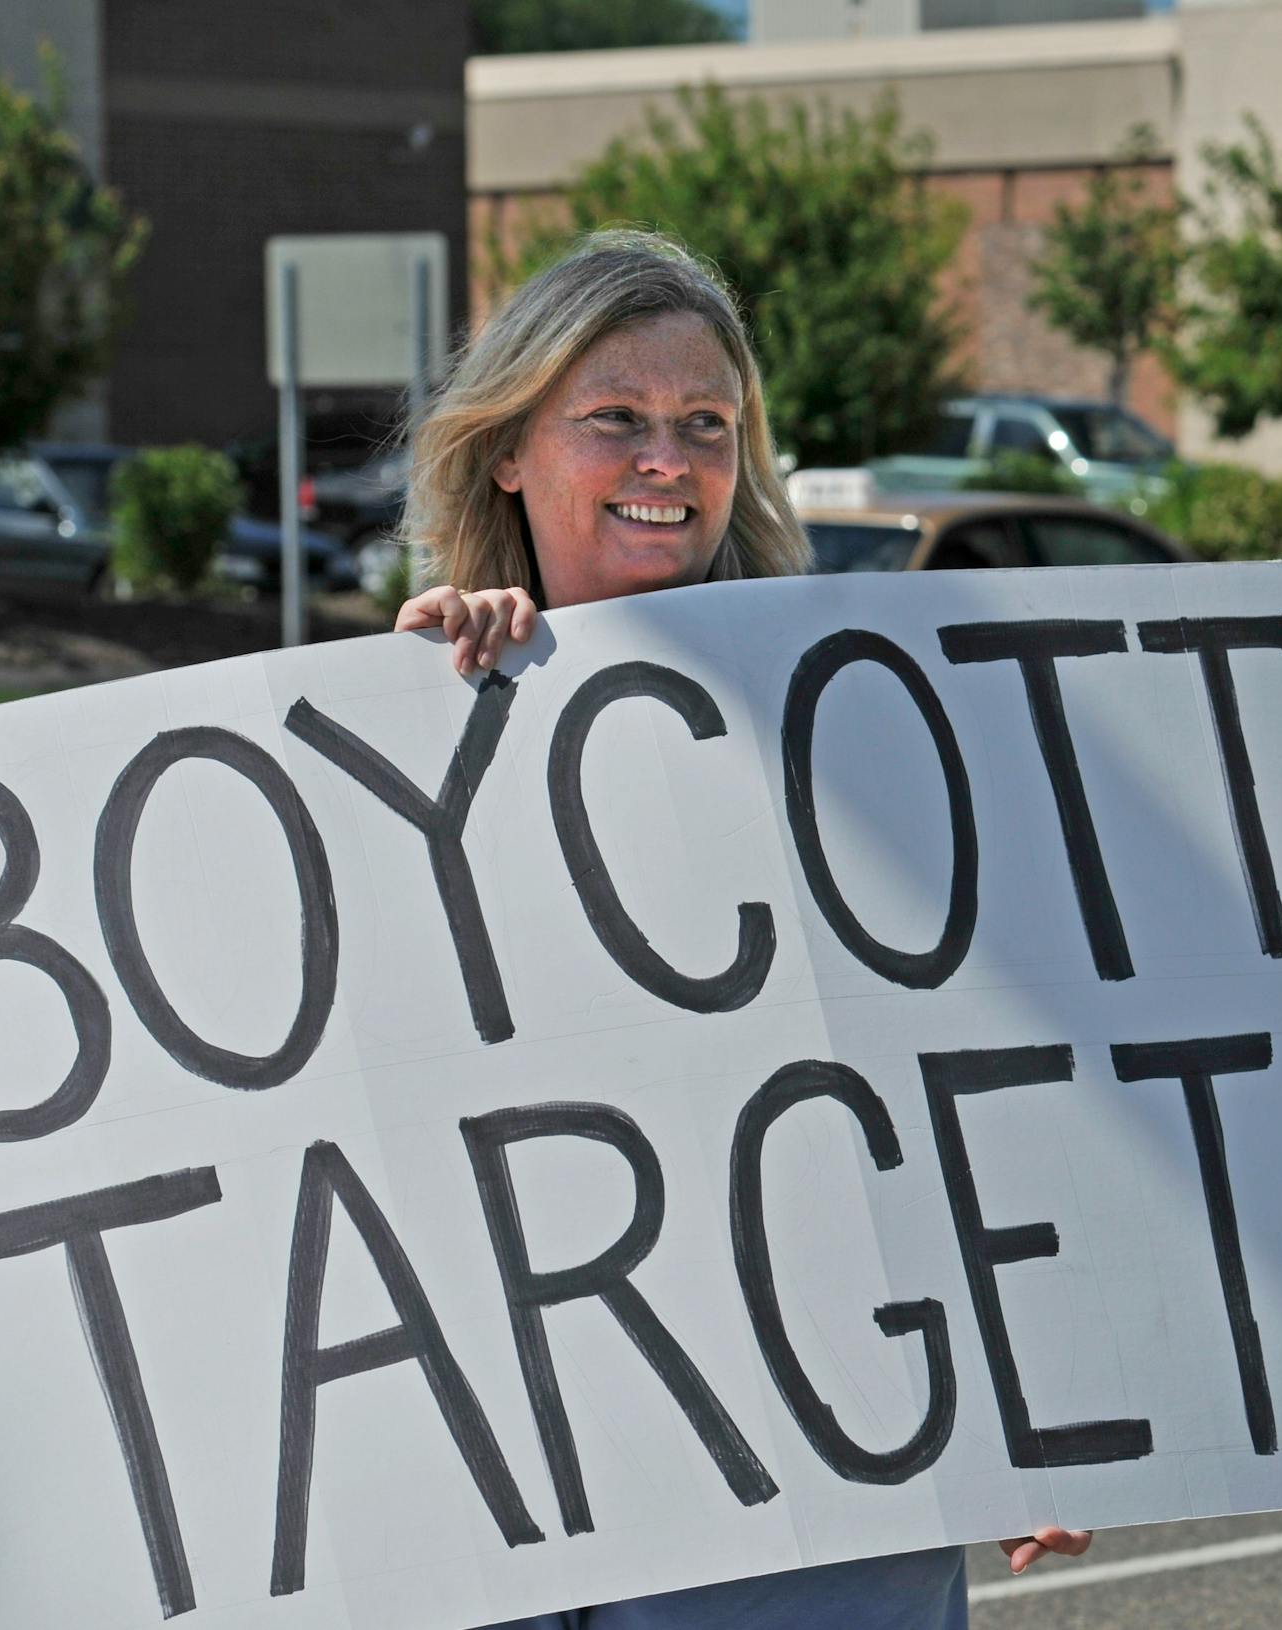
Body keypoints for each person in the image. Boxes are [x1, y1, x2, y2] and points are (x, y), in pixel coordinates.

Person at [391, 226, 1093, 1630]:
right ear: (509, 452)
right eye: (617, 420)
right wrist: (434, 707)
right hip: (510, 1497)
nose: (668, 459)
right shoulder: (389, 728)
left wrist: (1036, 1388)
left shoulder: (857, 731)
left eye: (704, 426)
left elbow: (973, 1071)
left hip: (805, 1502)